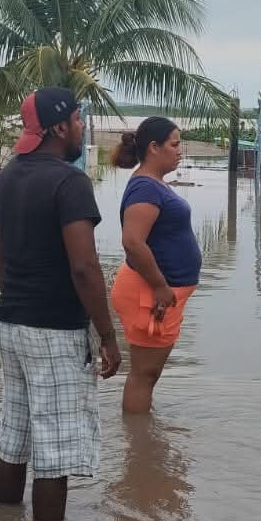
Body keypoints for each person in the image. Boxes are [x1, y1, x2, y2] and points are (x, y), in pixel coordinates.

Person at [0, 87, 122, 521]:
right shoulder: (70, 182)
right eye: (80, 120)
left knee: (15, 431)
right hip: (55, 329)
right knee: (55, 447)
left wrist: (18, 293)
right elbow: (84, 266)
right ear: (60, 127)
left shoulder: (6, 178)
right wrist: (107, 334)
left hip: (10, 321)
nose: (83, 127)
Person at [108, 117, 201, 414]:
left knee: (148, 374)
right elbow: (133, 242)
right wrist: (161, 286)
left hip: (157, 292)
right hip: (150, 294)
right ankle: (139, 448)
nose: (179, 151)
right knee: (144, 375)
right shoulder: (146, 189)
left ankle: (143, 441)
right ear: (153, 147)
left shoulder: (153, 184)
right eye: (174, 145)